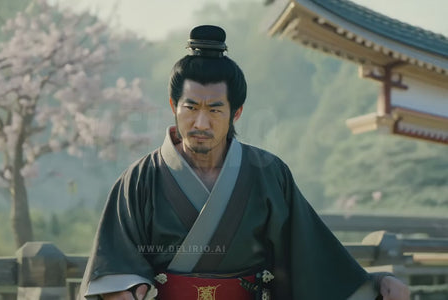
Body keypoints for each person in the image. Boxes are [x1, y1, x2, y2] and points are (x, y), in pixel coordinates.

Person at [79, 25, 410, 300]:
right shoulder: (139, 180)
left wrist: (375, 286)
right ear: (173, 106)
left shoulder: (268, 174)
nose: (201, 123)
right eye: (191, 107)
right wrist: (122, 288)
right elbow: (115, 264)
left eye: (215, 110)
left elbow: (310, 254)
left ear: (236, 112)